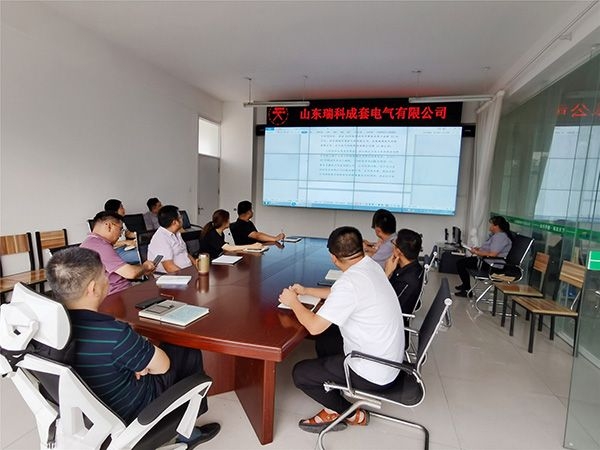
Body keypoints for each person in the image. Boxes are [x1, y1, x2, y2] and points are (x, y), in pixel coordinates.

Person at [45, 247, 220, 445]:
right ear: (93, 288)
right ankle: (189, 431)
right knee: (185, 347)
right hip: (131, 411)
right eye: (105, 274)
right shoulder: (114, 334)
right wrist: (140, 358)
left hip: (87, 411)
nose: (107, 279)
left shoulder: (49, 329)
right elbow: (163, 366)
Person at [279, 226, 404, 433]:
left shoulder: (350, 283)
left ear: (333, 258)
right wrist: (306, 290)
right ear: (361, 247)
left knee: (300, 373)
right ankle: (332, 388)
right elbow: (339, 293)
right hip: (388, 360)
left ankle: (350, 413)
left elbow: (314, 327)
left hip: (373, 372)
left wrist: (293, 302)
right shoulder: (370, 266)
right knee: (327, 338)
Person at [80, 211, 155, 294]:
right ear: (109, 226)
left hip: (118, 289)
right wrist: (146, 266)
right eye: (120, 229)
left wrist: (142, 270)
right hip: (118, 293)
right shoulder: (100, 246)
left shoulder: (89, 243)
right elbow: (130, 273)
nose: (120, 234)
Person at [455, 215, 513, 297]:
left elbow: (493, 254)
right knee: (462, 262)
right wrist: (478, 249)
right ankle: (465, 285)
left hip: (492, 266)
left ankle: (467, 289)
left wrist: (476, 252)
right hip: (487, 261)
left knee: (461, 263)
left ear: (496, 226)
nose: (490, 226)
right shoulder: (497, 236)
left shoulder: (500, 237)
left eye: (492, 224)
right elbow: (490, 249)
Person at [384, 228, 424, 317]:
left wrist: (386, 274)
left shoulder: (407, 281)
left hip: (392, 318)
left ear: (398, 252)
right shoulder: (414, 267)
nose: (392, 246)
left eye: (393, 243)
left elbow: (389, 306)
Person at [147, 205, 197, 273]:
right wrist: (189, 276)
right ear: (174, 222)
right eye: (180, 217)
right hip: (173, 276)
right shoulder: (161, 238)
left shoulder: (176, 233)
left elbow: (185, 253)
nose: (182, 219)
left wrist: (197, 266)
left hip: (188, 271)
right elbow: (169, 267)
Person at [104, 198, 140, 264]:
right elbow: (107, 243)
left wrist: (137, 235)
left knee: (146, 250)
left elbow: (127, 233)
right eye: (121, 207)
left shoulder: (120, 221)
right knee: (142, 255)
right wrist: (125, 242)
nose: (124, 209)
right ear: (115, 211)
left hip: (126, 248)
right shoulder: (108, 224)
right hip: (116, 252)